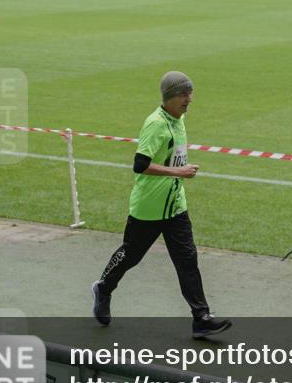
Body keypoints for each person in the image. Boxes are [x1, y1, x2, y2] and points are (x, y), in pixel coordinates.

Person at [91, 71, 231, 339]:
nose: (189, 99)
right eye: (184, 94)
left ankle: (201, 318)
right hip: (148, 208)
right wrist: (179, 172)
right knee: (131, 255)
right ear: (170, 97)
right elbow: (140, 164)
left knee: (187, 260)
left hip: (175, 207)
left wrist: (178, 174)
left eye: (190, 93)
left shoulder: (179, 119)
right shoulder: (156, 124)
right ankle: (103, 288)